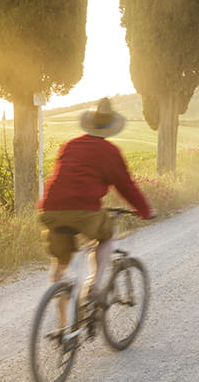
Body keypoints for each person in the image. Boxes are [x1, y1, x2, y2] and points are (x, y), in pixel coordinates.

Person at [37, 97, 153, 322]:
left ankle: (63, 327)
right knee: (107, 236)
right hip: (84, 210)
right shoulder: (109, 151)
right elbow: (126, 186)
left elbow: (62, 177)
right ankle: (95, 287)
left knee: (60, 263)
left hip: (50, 209)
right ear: (110, 126)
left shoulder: (70, 145)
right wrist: (145, 211)